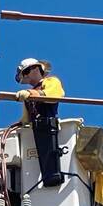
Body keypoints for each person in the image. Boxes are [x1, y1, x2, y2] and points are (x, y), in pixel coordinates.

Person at [15, 58, 65, 187]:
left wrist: (31, 93)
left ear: (36, 68)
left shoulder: (51, 81)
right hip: (38, 130)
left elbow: (53, 96)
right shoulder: (28, 96)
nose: (25, 77)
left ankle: (52, 178)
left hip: (48, 127)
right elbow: (26, 119)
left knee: (50, 167)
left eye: (26, 72)